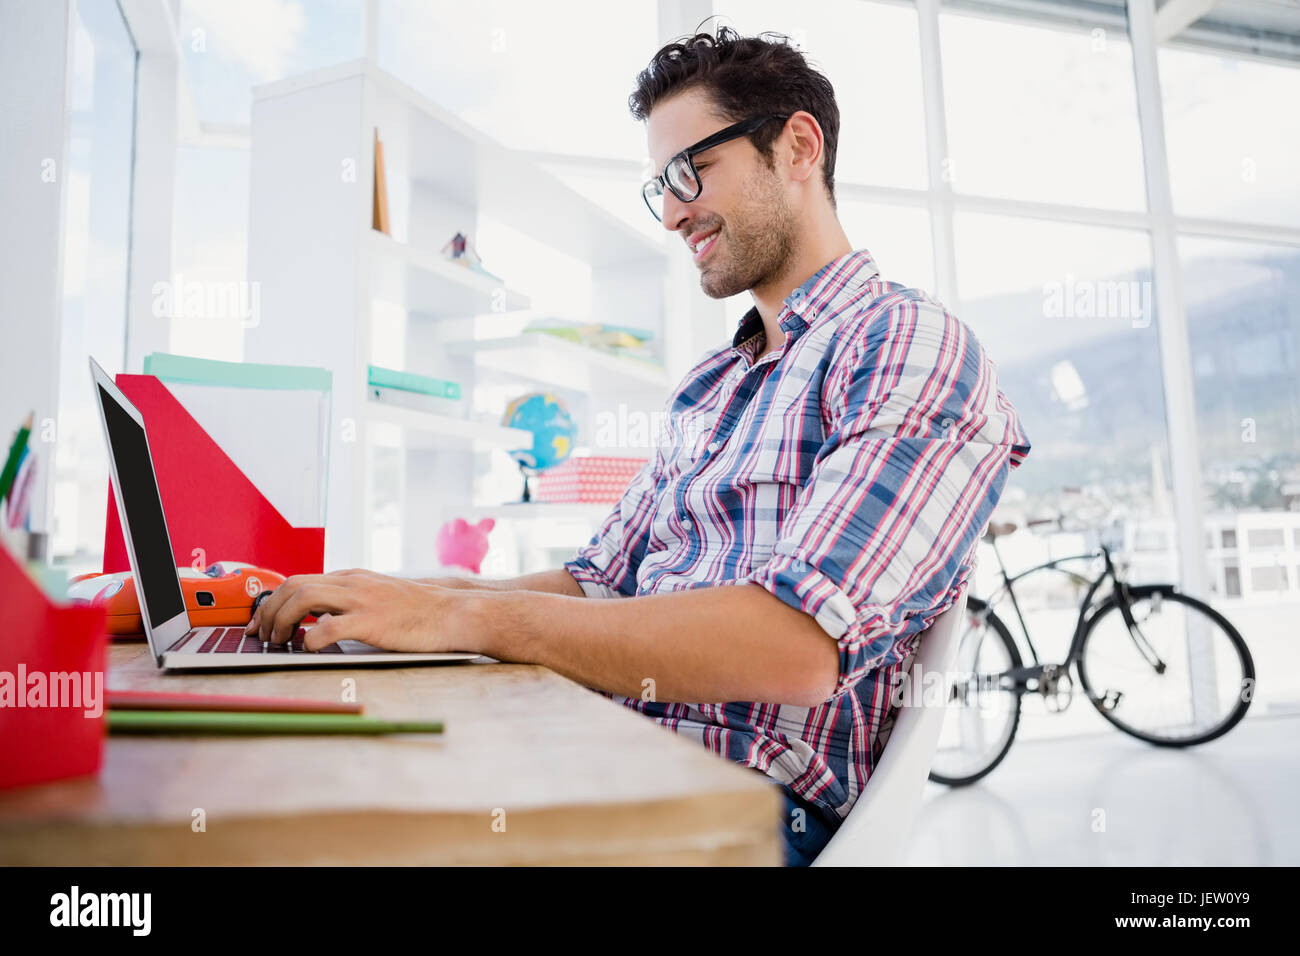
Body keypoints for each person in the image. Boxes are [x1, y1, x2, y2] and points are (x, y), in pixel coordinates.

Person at [248, 25, 1032, 867]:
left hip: (743, 805)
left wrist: (461, 614)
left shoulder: (906, 344)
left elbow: (795, 645)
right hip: (605, 748)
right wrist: (387, 594)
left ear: (797, 146)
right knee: (295, 792)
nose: (672, 212)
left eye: (691, 171)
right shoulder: (711, 384)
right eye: (659, 184)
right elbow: (594, 584)